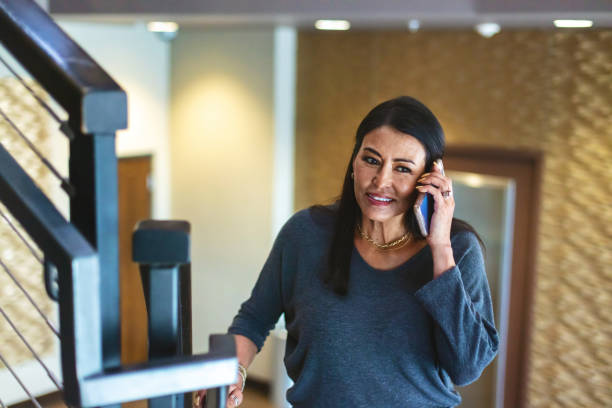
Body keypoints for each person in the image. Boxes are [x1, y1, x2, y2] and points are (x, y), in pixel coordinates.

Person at [197, 96, 499, 408]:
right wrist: (233, 371)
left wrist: (440, 247)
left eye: (403, 169)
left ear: (429, 178)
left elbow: (467, 368)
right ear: (353, 163)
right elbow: (253, 320)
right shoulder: (305, 234)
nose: (381, 181)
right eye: (371, 160)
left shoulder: (457, 250)